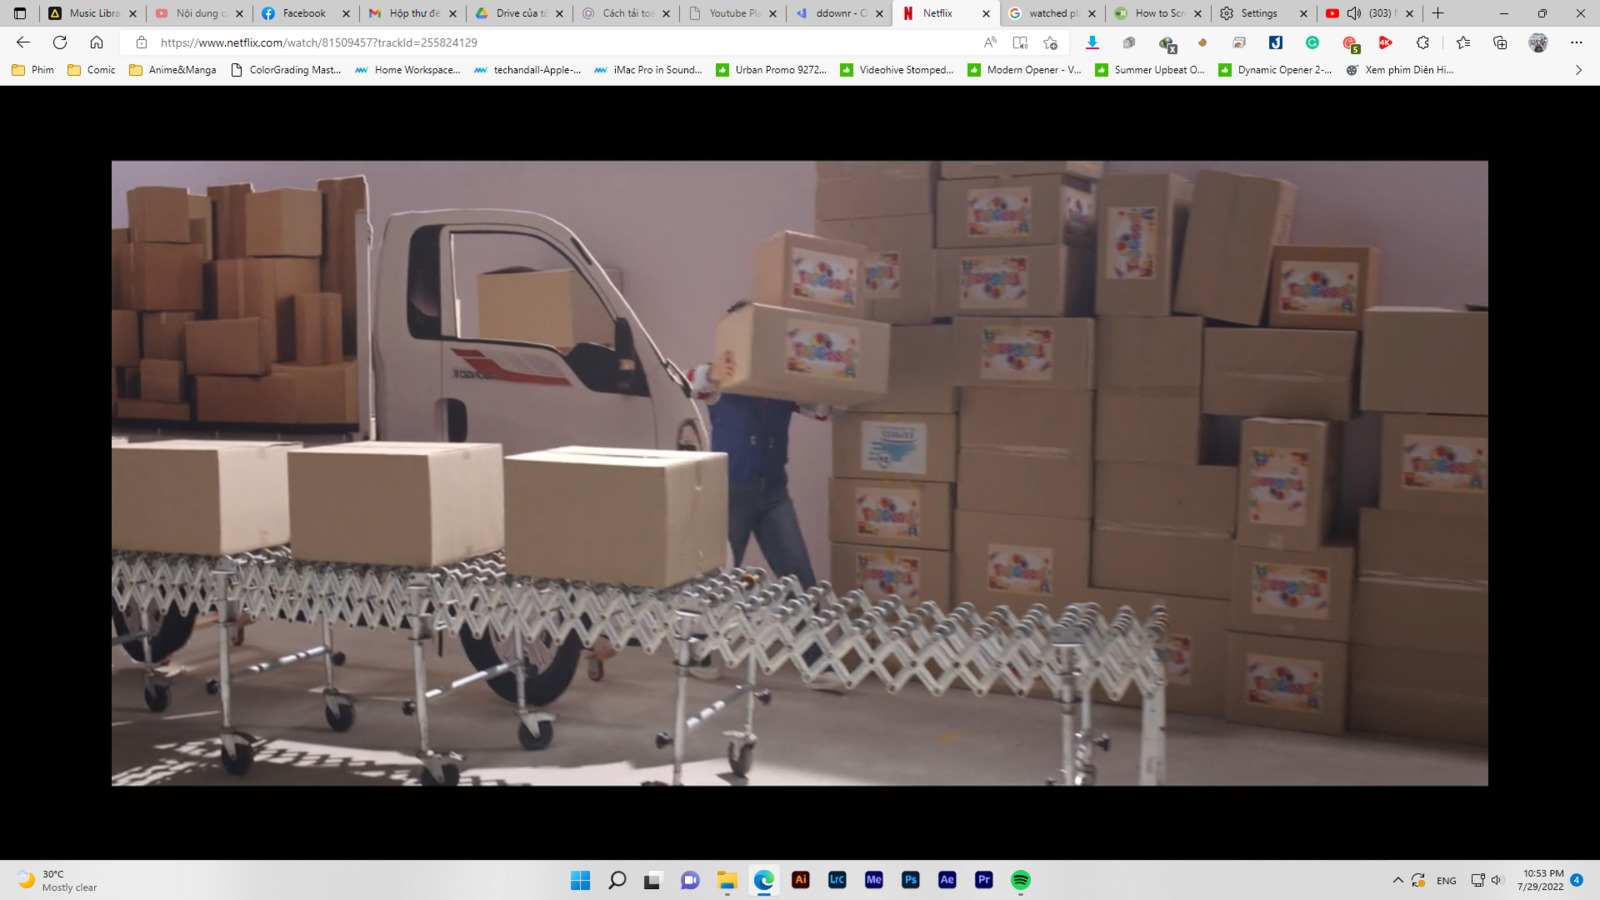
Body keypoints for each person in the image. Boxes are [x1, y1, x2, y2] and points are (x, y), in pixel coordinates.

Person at [682, 300, 845, 693]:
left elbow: (826, 410)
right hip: (732, 491)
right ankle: (696, 650)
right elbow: (688, 381)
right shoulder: (720, 379)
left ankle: (815, 660)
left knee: (799, 575)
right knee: (717, 575)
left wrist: (831, 380)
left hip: (773, 491)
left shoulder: (782, 384)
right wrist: (711, 370)